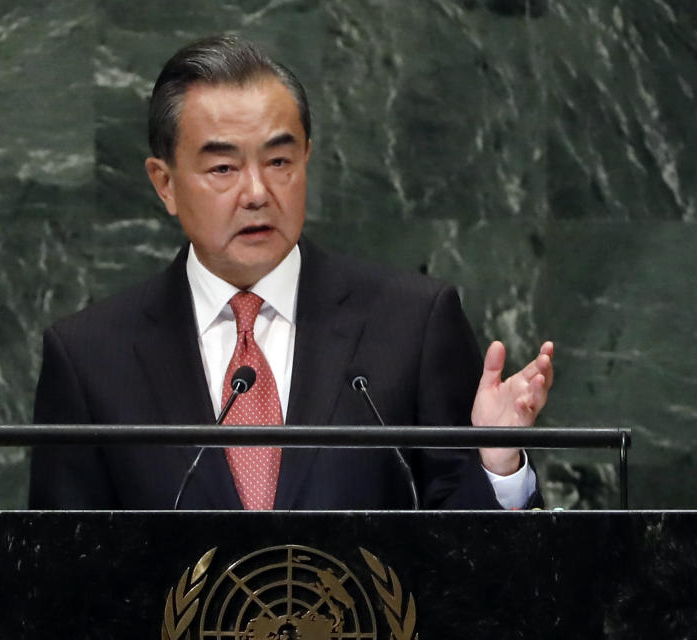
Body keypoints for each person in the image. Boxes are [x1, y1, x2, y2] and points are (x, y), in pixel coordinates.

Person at [28, 35, 554, 510]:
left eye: (279, 162)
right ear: (164, 183)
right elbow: (56, 574)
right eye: (223, 168)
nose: (257, 192)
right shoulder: (91, 359)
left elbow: (474, 571)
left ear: (307, 158)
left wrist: (498, 464)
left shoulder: (412, 324)